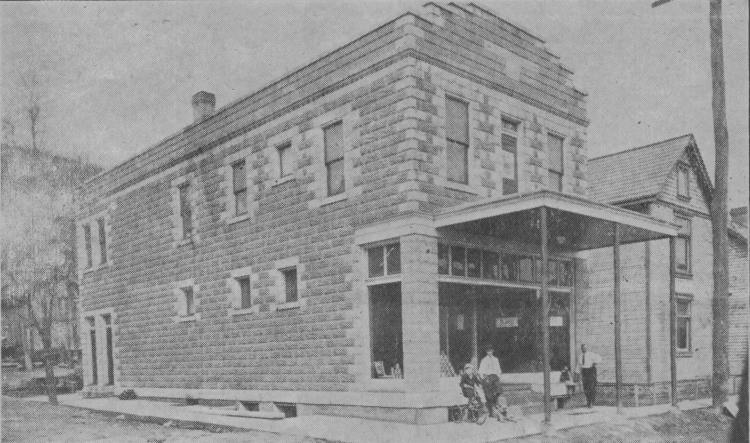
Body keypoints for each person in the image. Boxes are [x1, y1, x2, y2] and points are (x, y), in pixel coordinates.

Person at [479, 346, 504, 419]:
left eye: (491, 351)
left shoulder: (496, 359)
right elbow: (481, 371)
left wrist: (498, 376)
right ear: (486, 352)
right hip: (487, 377)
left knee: (498, 390)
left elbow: (498, 369)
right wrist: (484, 378)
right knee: (488, 393)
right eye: (488, 351)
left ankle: (495, 403)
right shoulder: (484, 360)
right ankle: (491, 408)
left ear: (493, 351)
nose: (489, 352)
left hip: (495, 377)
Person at [577, 344, 601, 408]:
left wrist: (594, 363)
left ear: (587, 348)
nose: (584, 349)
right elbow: (579, 365)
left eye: (585, 348)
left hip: (590, 371)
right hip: (584, 371)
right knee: (585, 388)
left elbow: (599, 358)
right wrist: (577, 374)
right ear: (581, 349)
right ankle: (588, 401)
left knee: (591, 387)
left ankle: (591, 402)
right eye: (583, 348)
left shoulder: (591, 354)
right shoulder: (580, 356)